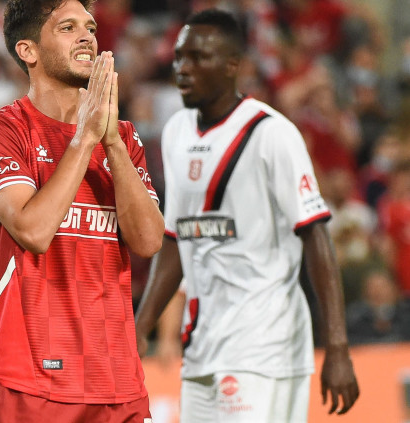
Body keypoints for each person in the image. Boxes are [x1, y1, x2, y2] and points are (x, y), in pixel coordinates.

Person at [134, 9, 360, 422]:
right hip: (200, 347)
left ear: (232, 65)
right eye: (179, 57)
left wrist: (337, 347)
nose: (183, 68)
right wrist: (139, 327)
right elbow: (176, 239)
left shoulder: (272, 133)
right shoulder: (176, 131)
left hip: (265, 347)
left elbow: (316, 236)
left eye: (199, 57)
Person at [0, 0, 165, 421]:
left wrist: (111, 143)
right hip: (32, 382)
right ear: (28, 50)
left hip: (119, 381)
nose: (86, 37)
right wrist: (85, 138)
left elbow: (149, 241)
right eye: (67, 28)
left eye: (90, 28)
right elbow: (33, 231)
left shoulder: (124, 138)